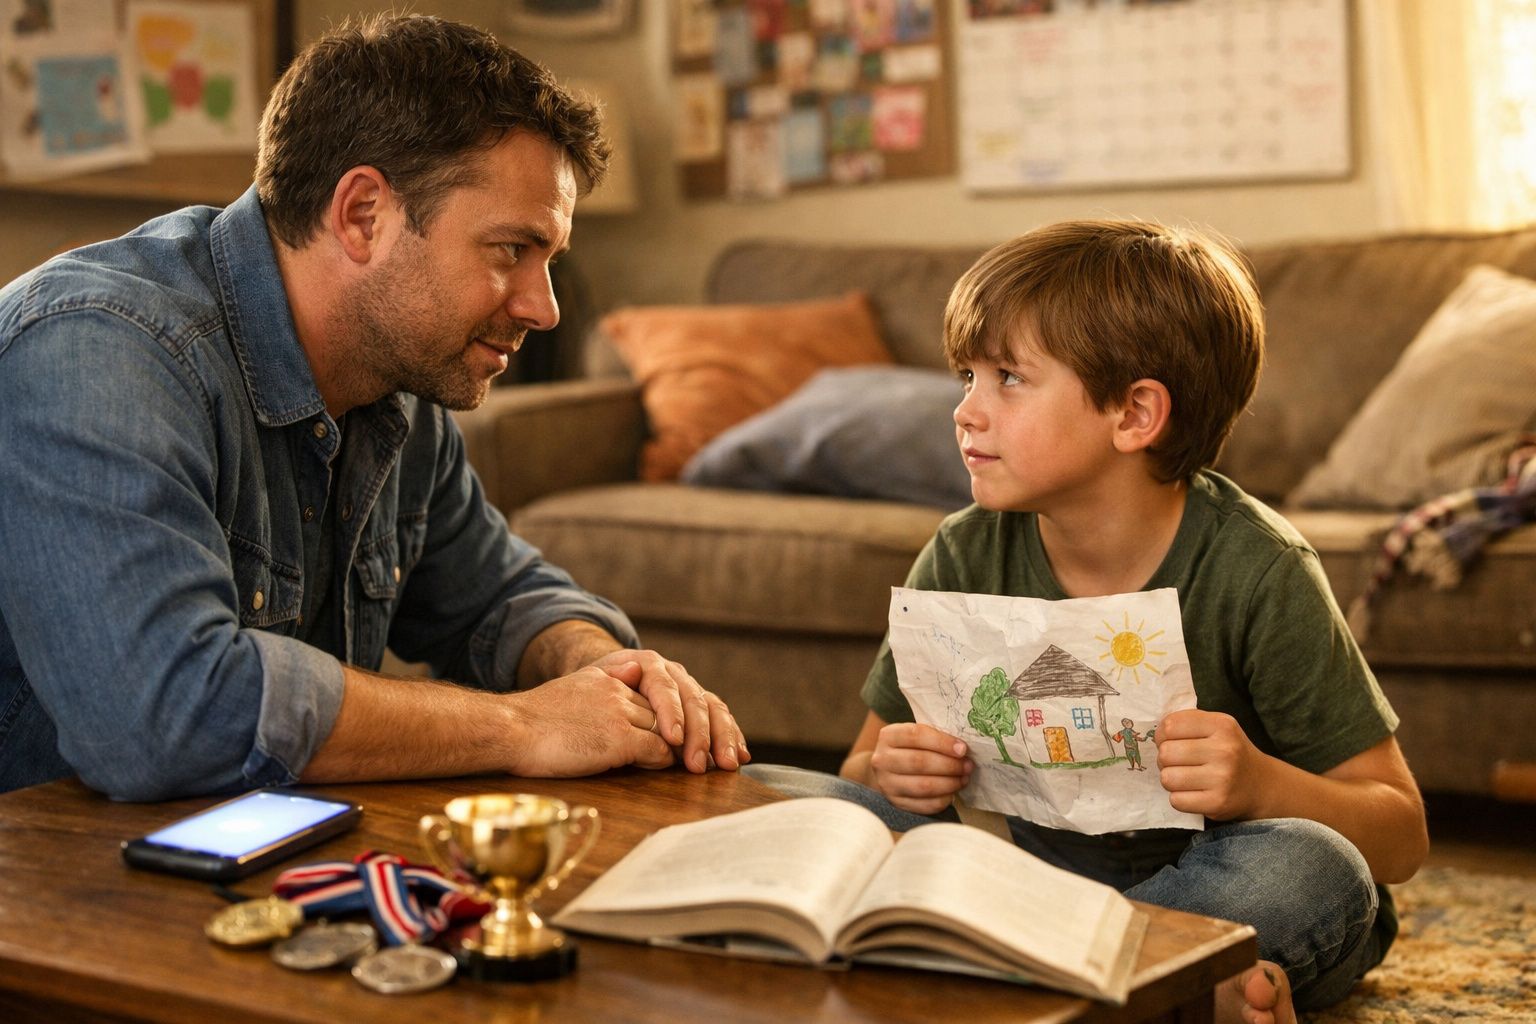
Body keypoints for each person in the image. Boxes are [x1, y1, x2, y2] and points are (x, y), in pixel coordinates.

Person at [0, 14, 748, 801]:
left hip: (230, 853)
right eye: (511, 250)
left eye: (550, 260)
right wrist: (523, 725)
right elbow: (164, 717)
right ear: (363, 214)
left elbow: (495, 594)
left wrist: (599, 666)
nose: (545, 308)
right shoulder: (98, 350)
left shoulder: (394, 389)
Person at [745, 220, 1427, 1024]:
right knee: (773, 796)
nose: (965, 411)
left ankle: (1066, 975)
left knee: (1316, 868)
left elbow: (1401, 834)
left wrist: (1260, 785)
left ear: (1134, 414)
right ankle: (1150, 989)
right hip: (1027, 879)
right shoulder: (963, 552)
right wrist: (891, 772)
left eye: (1008, 378)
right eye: (967, 375)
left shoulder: (1258, 568)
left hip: (1216, 880)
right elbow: (861, 770)